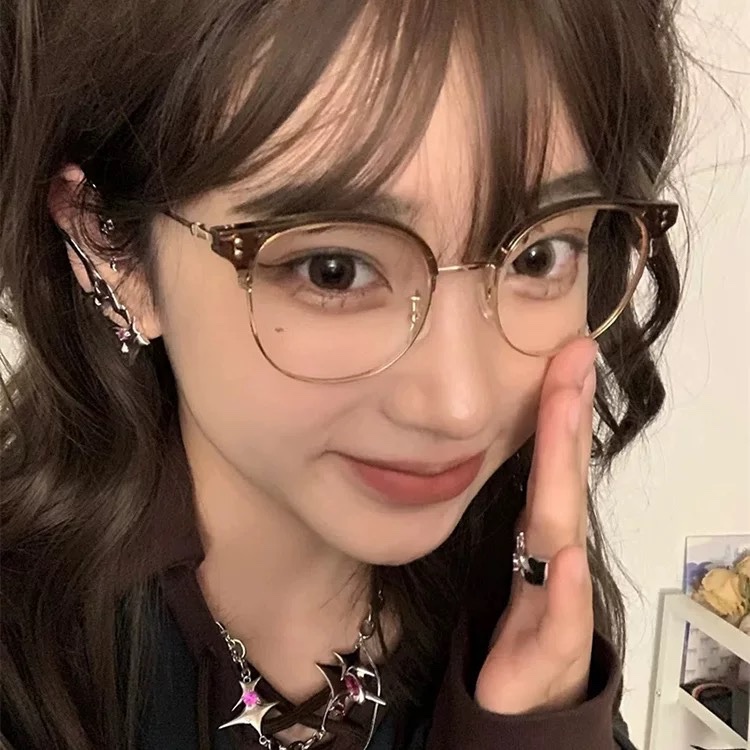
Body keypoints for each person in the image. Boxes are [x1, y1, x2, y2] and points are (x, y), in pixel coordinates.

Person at [0, 1, 686, 748]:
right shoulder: (27, 661)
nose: (460, 405)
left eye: (537, 256)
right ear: (111, 251)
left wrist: (538, 731)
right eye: (334, 270)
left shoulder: (523, 601)